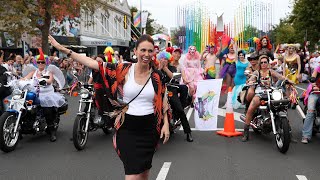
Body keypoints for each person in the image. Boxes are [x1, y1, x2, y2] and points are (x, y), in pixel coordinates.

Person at [49, 34, 170, 180]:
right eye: (143, 50)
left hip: (149, 130)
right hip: (127, 129)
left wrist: (166, 124)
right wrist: (62, 48)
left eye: (150, 51)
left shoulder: (157, 76)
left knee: (144, 172)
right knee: (132, 176)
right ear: (136, 51)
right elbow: (93, 64)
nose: (146, 54)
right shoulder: (123, 69)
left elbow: (163, 99)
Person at [241, 55, 293, 142]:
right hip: (260, 93)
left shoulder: (271, 71)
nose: (263, 64)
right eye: (262, 62)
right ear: (260, 64)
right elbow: (251, 78)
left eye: (265, 62)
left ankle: (288, 132)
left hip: (271, 92)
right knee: (251, 107)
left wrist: (288, 80)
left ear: (268, 63)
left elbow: (281, 77)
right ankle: (246, 132)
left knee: (282, 107)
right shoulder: (257, 72)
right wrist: (250, 81)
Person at [22, 48, 66, 142]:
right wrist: (18, 81)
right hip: (35, 93)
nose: (40, 63)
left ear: (45, 63)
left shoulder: (48, 72)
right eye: (39, 62)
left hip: (47, 94)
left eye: (42, 62)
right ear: (36, 63)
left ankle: (52, 131)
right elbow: (25, 78)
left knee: (47, 110)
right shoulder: (33, 72)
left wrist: (44, 80)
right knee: (23, 105)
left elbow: (50, 80)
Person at [158, 51, 193, 142]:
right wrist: (159, 68)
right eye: (162, 58)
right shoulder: (156, 69)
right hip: (159, 92)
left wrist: (165, 68)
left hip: (170, 90)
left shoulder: (172, 68)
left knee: (180, 109)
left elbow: (173, 77)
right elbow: (154, 77)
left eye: (166, 59)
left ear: (169, 60)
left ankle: (188, 132)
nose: (164, 60)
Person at [301, 66, 320, 144]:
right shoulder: (319, 68)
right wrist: (314, 85)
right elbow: (313, 77)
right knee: (311, 111)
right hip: (316, 93)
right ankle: (306, 135)